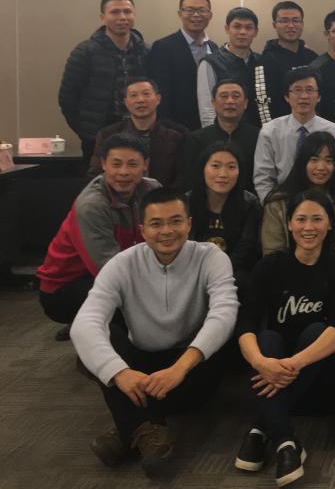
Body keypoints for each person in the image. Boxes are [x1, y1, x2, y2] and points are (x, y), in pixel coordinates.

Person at [70, 187, 237, 477]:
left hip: (191, 369)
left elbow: (224, 313)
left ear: (189, 224)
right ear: (142, 230)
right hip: (140, 366)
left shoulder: (211, 256)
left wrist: (180, 367)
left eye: (176, 221)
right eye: (156, 223)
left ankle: (127, 428)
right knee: (97, 346)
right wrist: (120, 372)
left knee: (221, 339)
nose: (167, 231)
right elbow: (85, 322)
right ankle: (150, 431)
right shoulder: (123, 263)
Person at [234, 189, 335, 487]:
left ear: (329, 224)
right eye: (301, 219)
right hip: (276, 378)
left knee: (316, 332)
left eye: (317, 219)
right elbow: (246, 324)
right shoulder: (270, 266)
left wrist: (290, 366)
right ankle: (285, 443)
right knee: (267, 338)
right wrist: (261, 362)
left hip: (324, 382)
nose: (308, 227)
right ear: (289, 224)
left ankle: (260, 429)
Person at [37, 135, 159, 329]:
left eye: (132, 164)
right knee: (137, 306)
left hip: (112, 271)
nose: (123, 172)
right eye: (116, 164)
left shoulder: (152, 190)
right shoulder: (92, 206)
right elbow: (107, 269)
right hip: (65, 287)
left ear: (145, 165)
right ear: (103, 164)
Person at [59, 0, 148, 160]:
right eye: (115, 12)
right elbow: (67, 97)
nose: (122, 17)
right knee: (98, 175)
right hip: (97, 135)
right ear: (102, 18)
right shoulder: (85, 51)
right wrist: (86, 131)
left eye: (127, 11)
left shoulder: (145, 51)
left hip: (138, 130)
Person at [261, 132, 335, 260]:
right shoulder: (278, 203)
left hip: (331, 269)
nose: (321, 167)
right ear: (303, 162)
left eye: (328, 161)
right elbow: (272, 252)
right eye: (314, 160)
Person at [253, 67, 335, 202]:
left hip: (323, 202)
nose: (304, 96)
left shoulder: (334, 132)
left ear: (319, 96)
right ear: (286, 97)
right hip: (281, 201)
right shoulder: (270, 132)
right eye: (297, 90)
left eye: (309, 90)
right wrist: (272, 206)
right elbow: (263, 178)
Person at [186, 142, 261, 296]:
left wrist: (220, 273)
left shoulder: (249, 203)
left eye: (231, 167)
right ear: (203, 168)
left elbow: (246, 248)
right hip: (193, 271)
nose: (223, 174)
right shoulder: (186, 202)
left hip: (233, 274)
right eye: (215, 166)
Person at [88, 78, 188, 188]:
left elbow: (184, 176)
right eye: (133, 95)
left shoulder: (178, 134)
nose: (140, 100)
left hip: (163, 195)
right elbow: (96, 176)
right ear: (126, 102)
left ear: (158, 99)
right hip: (118, 195)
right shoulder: (108, 134)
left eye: (146, 94)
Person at [197, 7, 283, 128]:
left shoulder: (263, 62)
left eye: (248, 27)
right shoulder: (210, 63)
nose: (242, 32)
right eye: (237, 27)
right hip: (225, 134)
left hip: (260, 132)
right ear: (227, 29)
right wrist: (213, 136)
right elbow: (207, 109)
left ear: (255, 32)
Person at [147, 0, 217, 130]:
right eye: (189, 10)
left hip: (209, 126)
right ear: (180, 14)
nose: (196, 15)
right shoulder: (163, 47)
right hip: (175, 128)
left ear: (210, 15)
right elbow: (160, 94)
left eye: (202, 10)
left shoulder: (215, 48)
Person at [180, 79, 260, 194]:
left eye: (236, 96)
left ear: (246, 103)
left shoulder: (259, 136)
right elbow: (190, 179)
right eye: (224, 96)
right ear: (213, 103)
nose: (230, 101)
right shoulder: (196, 139)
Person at [262, 1, 318, 71]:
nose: (291, 25)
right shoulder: (266, 60)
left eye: (296, 21)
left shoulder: (311, 57)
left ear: (302, 24)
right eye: (284, 21)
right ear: (274, 25)